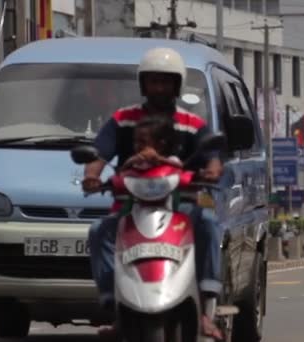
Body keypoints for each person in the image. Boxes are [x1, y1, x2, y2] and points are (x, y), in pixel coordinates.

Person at [82, 47, 224, 340]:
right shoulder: (123, 118)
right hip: (129, 204)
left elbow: (211, 155)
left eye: (165, 81)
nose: (159, 87)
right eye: (153, 81)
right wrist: (92, 176)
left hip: (181, 204)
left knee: (208, 224)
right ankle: (114, 300)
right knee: (99, 231)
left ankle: (206, 308)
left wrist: (211, 170)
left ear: (177, 85)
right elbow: (99, 153)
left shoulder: (192, 123)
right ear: (143, 84)